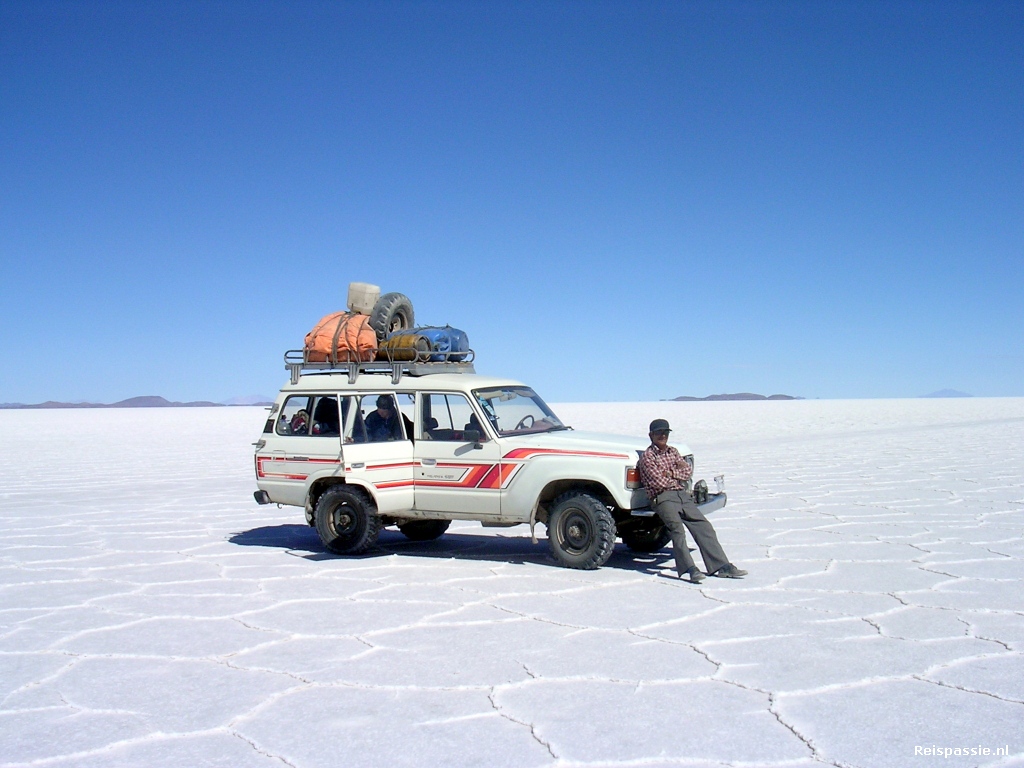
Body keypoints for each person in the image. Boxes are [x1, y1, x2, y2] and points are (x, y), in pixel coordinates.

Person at [637, 418, 747, 583]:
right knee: (677, 530)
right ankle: (689, 569)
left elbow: (687, 472)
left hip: (681, 495)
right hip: (662, 497)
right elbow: (657, 481)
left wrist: (671, 474)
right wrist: (674, 475)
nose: (663, 435)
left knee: (704, 526)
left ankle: (722, 566)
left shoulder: (672, 451)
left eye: (665, 432)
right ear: (651, 435)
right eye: (659, 432)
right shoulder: (648, 456)